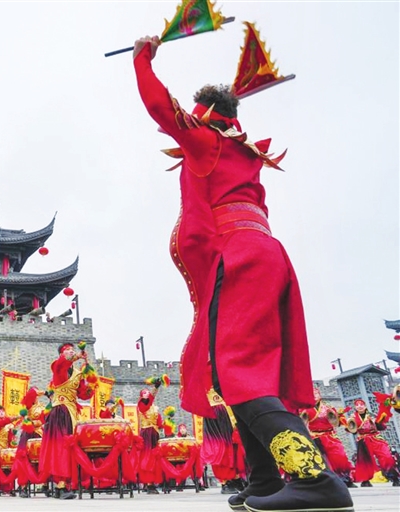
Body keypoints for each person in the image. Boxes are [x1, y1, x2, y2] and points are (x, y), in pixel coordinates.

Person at [132, 35, 353, 512]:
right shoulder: (245, 154)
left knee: (236, 370)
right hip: (266, 253)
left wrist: (142, 58)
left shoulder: (207, 141)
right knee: (241, 372)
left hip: (238, 258)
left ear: (206, 115)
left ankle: (316, 479)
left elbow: (161, 108)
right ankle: (265, 480)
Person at [38, 342, 94, 499]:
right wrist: (76, 357)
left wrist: (91, 382)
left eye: (72, 349)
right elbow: (61, 365)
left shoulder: (77, 374)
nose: (70, 351)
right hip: (59, 412)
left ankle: (64, 485)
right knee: (60, 448)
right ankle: (60, 485)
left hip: (72, 413)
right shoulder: (57, 367)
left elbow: (83, 394)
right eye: (67, 350)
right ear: (61, 354)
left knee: (70, 448)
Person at [299, 386, 354, 487]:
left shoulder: (328, 408)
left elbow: (337, 423)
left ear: (320, 395)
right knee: (320, 459)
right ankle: (326, 480)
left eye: (316, 393)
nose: (314, 396)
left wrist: (339, 417)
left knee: (340, 455)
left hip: (330, 436)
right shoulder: (304, 409)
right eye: (311, 394)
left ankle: (345, 478)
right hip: (315, 437)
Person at [348, 398, 399, 486]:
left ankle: (394, 477)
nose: (359, 406)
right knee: (364, 461)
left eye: (361, 404)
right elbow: (352, 431)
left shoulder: (371, 415)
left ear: (365, 406)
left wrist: (379, 421)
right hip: (363, 440)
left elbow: (381, 427)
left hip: (376, 439)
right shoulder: (353, 418)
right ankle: (365, 480)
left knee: (386, 456)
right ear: (355, 407)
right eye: (357, 405)